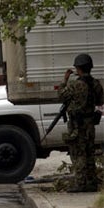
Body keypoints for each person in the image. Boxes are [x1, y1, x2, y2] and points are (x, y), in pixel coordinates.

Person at [58, 53, 104, 193]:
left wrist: (64, 80)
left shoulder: (75, 84)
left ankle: (80, 184)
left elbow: (61, 95)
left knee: (79, 154)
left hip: (78, 125)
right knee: (89, 152)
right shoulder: (96, 84)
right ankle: (92, 183)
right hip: (90, 124)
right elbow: (100, 101)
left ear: (78, 68)